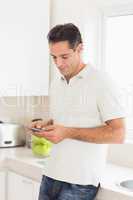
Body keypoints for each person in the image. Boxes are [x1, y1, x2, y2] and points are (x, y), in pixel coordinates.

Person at [30, 23, 126, 200]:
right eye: (54, 57)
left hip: (80, 181)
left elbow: (118, 133)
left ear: (80, 48)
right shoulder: (56, 82)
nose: (58, 63)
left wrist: (67, 132)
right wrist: (45, 126)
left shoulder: (101, 82)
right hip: (51, 174)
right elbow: (66, 119)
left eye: (64, 56)